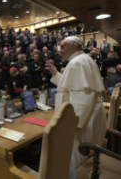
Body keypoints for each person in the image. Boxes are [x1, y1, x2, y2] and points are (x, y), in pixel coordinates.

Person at [45, 36, 107, 179]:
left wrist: (72, 125)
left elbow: (84, 99)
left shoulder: (76, 62)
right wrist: (56, 73)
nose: (59, 51)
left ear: (73, 47)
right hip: (91, 113)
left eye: (62, 47)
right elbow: (72, 87)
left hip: (84, 118)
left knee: (77, 157)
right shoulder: (84, 59)